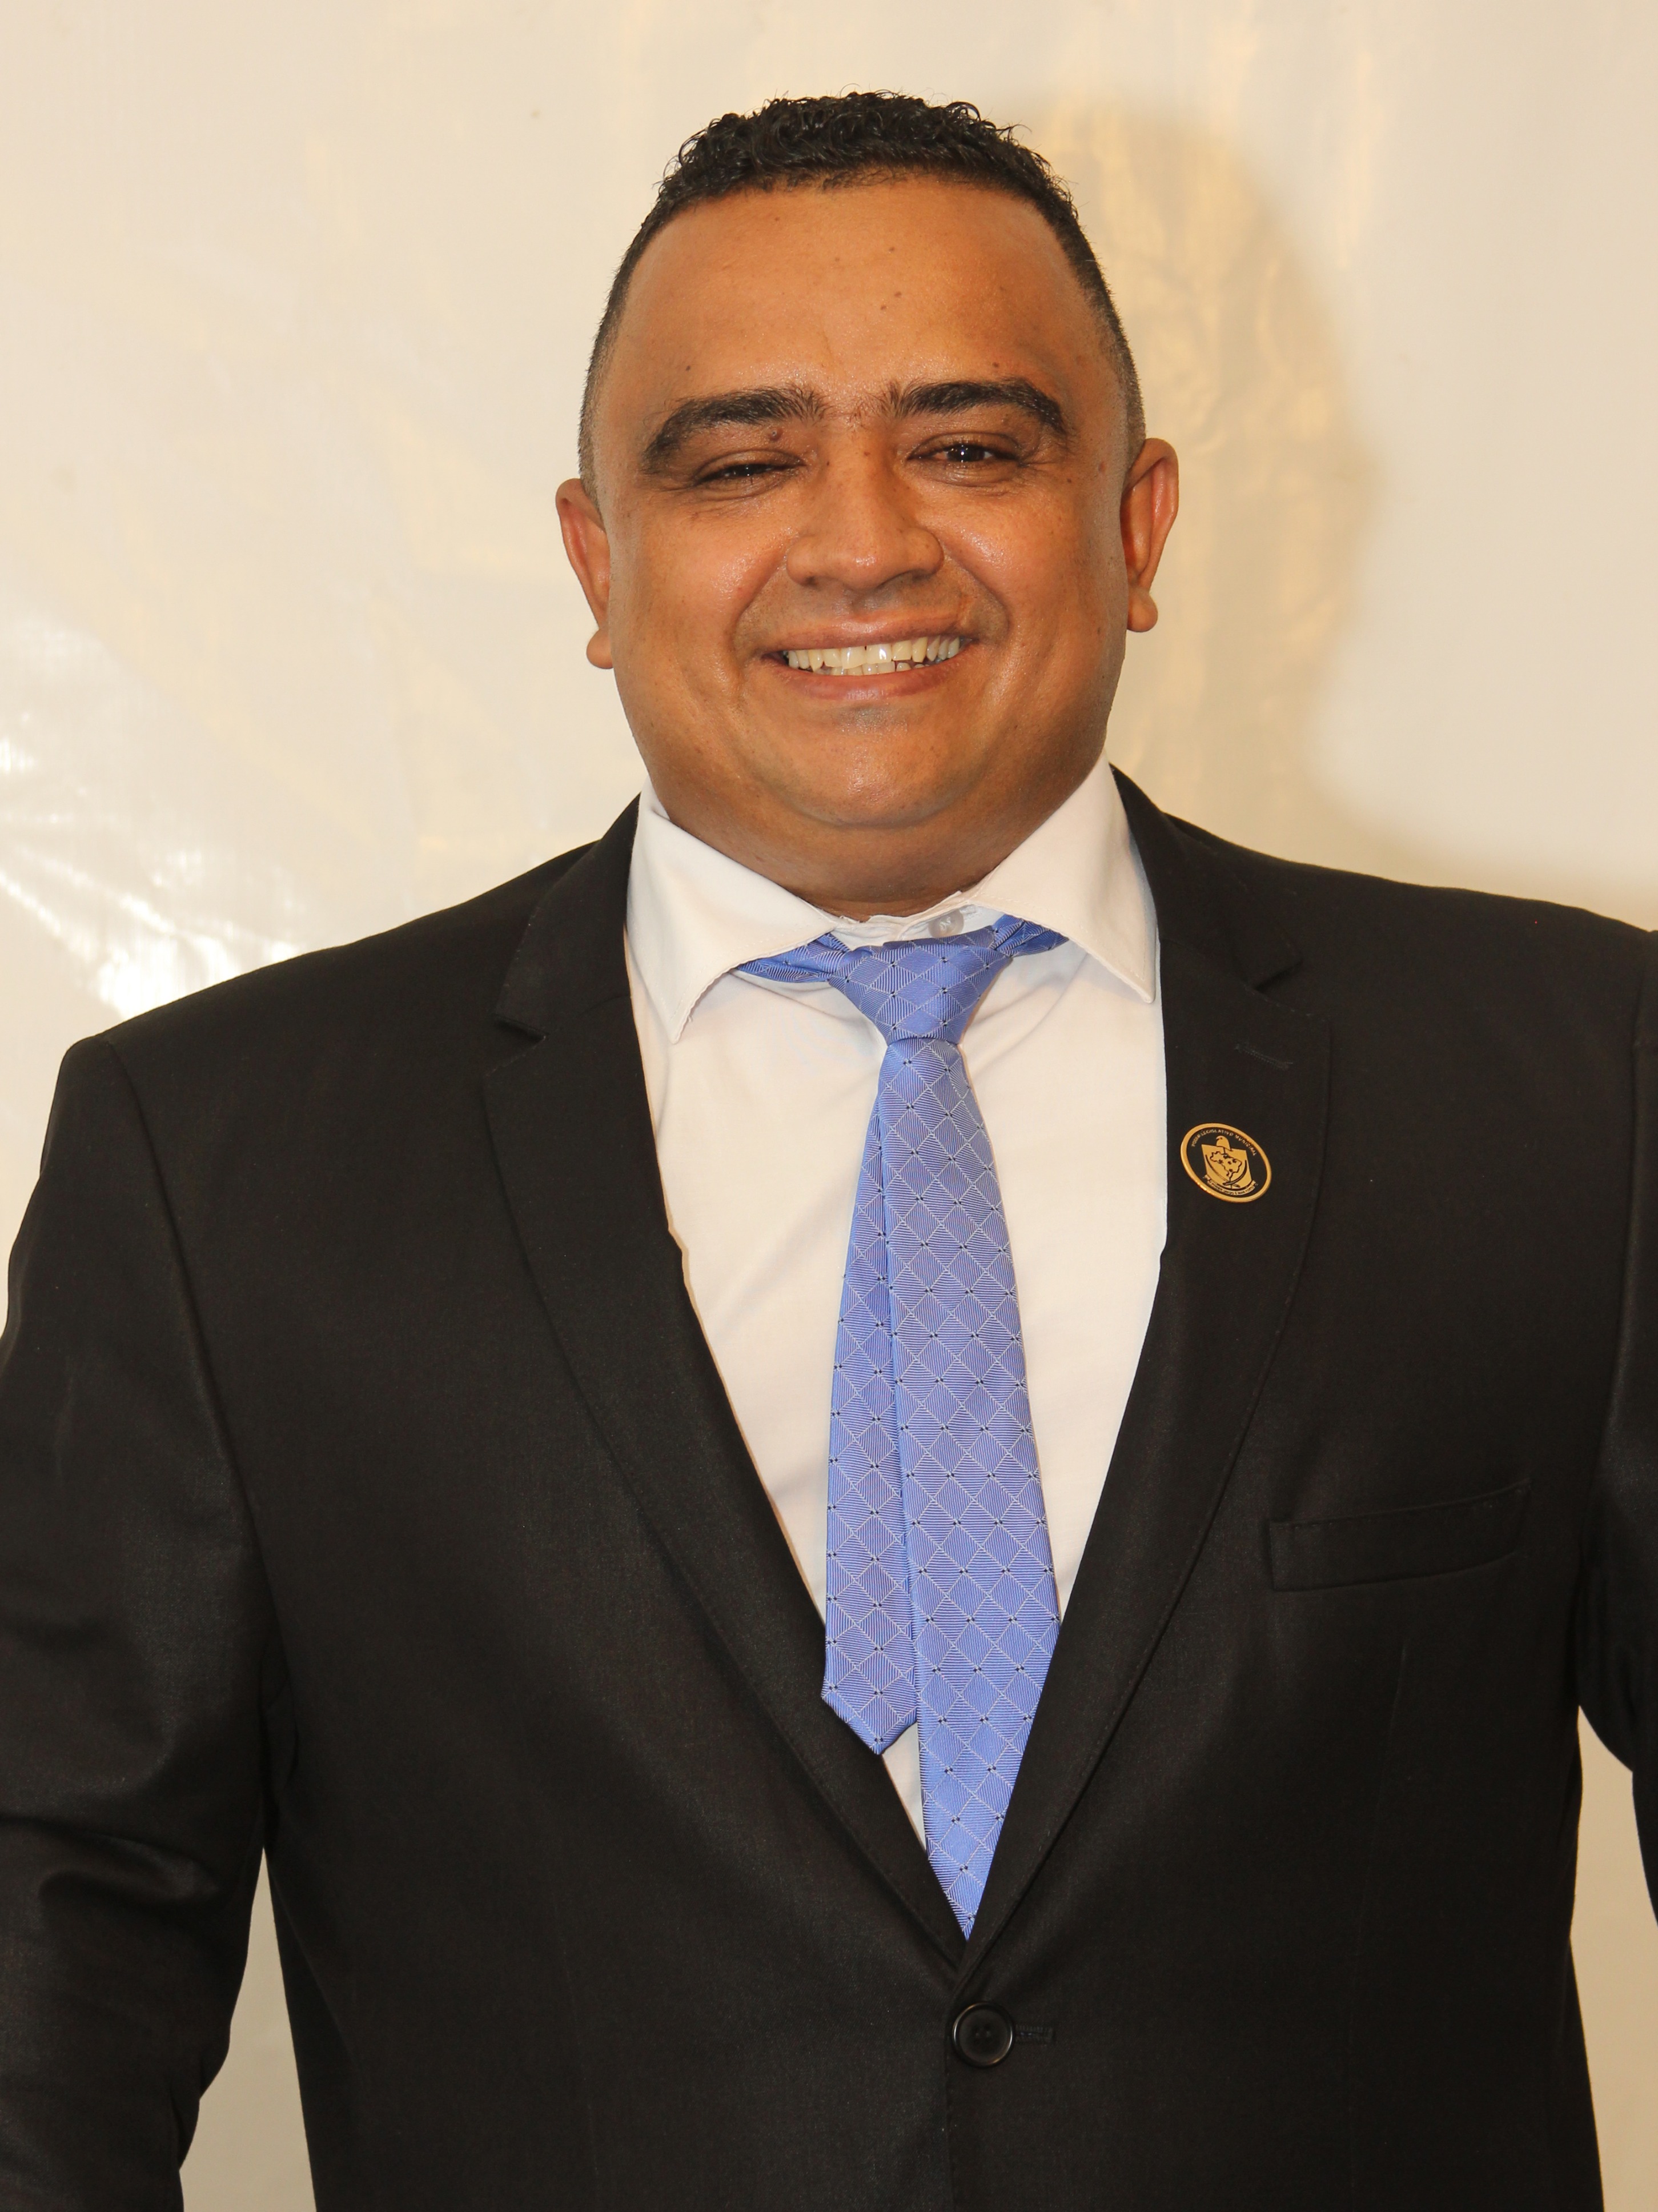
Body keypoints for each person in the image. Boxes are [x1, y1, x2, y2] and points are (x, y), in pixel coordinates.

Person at [0, 88, 1652, 2212]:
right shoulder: (215, 1167)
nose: (863, 542)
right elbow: (49, 1967)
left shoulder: (1571, 1083)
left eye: (970, 448)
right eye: (738, 463)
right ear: (598, 562)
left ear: (1139, 526)